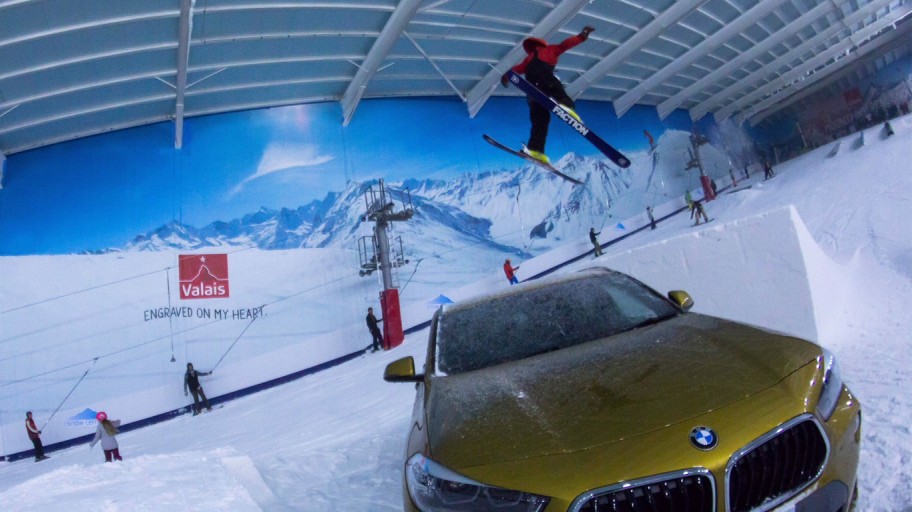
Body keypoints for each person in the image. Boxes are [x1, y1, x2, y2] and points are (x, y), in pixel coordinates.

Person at [501, 26, 596, 164]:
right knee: (557, 88)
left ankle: (535, 150)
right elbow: (565, 45)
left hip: (533, 92)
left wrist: (506, 76)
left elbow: (517, 70)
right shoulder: (549, 49)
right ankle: (566, 107)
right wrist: (582, 36)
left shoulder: (527, 60)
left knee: (540, 121)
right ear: (541, 45)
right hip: (544, 79)